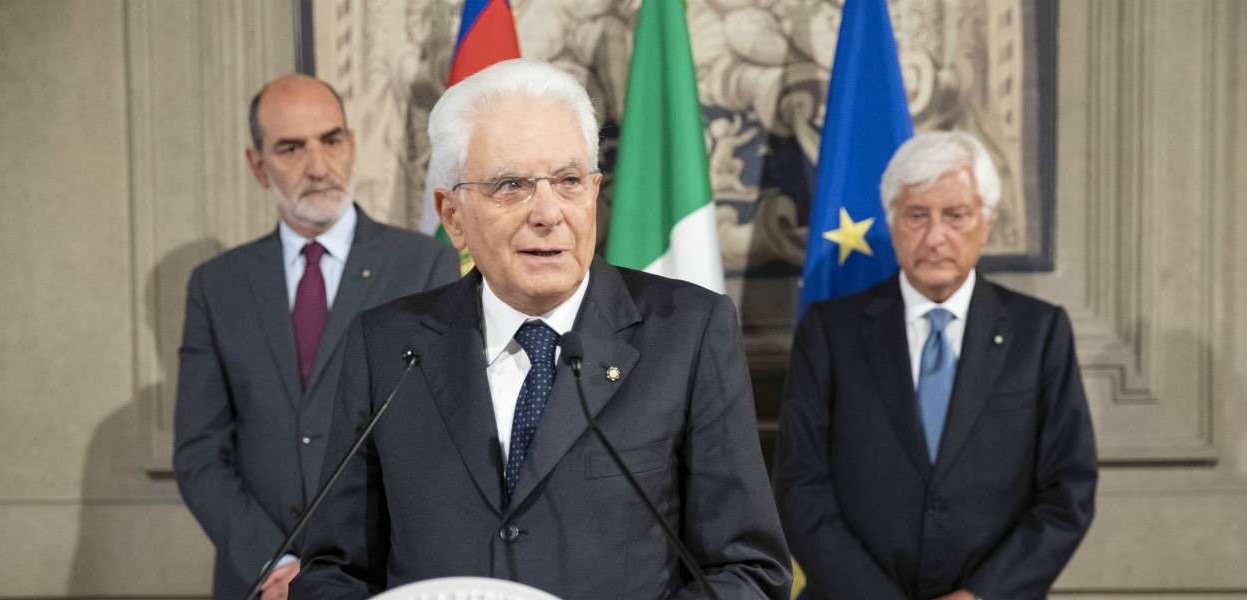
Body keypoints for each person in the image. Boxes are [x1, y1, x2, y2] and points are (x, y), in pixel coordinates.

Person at [291, 58, 790, 599]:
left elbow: (750, 573)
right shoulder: (388, 347)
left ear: (594, 191)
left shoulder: (688, 333)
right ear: (452, 216)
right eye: (511, 185)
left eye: (569, 181)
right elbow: (333, 574)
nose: (548, 213)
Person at [774, 131, 1098, 599]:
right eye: (917, 215)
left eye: (956, 215)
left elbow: (1069, 489)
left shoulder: (1040, 333)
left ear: (987, 222)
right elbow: (799, 484)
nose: (935, 237)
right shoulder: (829, 332)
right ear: (892, 222)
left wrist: (980, 595)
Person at [173, 74, 458, 600]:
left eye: (331, 140)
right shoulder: (218, 286)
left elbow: (439, 442)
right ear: (258, 165)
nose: (319, 166)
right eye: (291, 148)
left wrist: (341, 570)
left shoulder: (424, 266)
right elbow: (199, 455)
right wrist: (273, 564)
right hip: (260, 583)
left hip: (379, 578)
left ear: (351, 144)